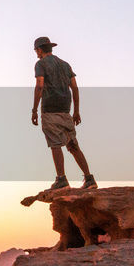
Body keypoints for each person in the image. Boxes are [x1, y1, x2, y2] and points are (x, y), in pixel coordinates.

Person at [31, 36, 97, 190]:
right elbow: (74, 88)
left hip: (50, 110)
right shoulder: (65, 65)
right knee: (73, 145)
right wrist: (76, 111)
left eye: (36, 50)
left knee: (55, 145)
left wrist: (34, 110)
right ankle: (89, 179)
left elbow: (39, 86)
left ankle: (61, 179)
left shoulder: (40, 64)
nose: (36, 53)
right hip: (66, 111)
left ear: (40, 49)